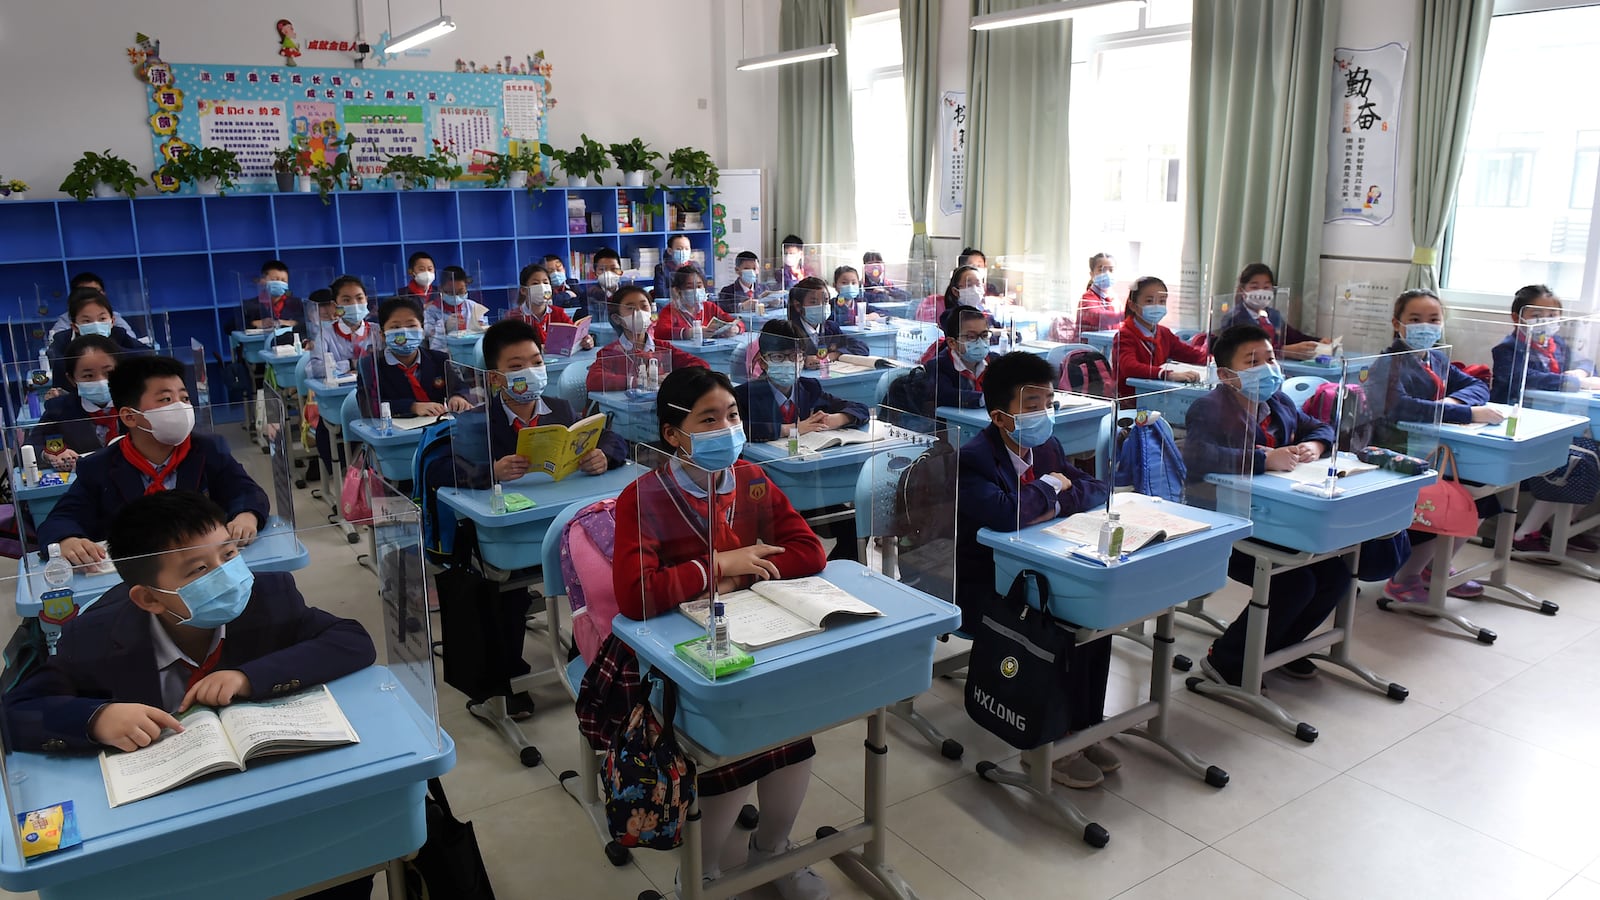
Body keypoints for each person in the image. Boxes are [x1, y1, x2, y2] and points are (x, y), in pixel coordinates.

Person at [613, 366, 830, 899]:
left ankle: (772, 856)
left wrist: (726, 575)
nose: (726, 429)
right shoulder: (645, 498)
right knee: (730, 752)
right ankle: (702, 875)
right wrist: (723, 565)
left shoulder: (752, 480)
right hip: (668, 654)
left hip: (754, 636)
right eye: (708, 420)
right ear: (672, 434)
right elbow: (638, 596)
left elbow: (809, 551)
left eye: (732, 416)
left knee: (794, 738)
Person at [6, 489, 376, 752]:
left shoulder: (269, 596)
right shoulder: (92, 637)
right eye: (199, 569)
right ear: (149, 598)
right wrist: (96, 719)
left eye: (228, 554)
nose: (225, 574)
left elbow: (351, 641)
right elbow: (16, 712)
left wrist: (249, 677)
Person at [434, 319, 626, 719]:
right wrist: (491, 471)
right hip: (511, 536)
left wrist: (604, 455)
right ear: (495, 377)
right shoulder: (475, 422)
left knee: (599, 577)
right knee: (504, 595)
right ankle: (509, 680)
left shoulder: (559, 408)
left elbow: (609, 437)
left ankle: (586, 656)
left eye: (535, 361)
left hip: (566, 521)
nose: (529, 372)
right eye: (515, 365)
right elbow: (446, 472)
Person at [955, 351, 1115, 788]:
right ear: (1000, 416)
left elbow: (1095, 489)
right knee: (1064, 624)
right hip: (984, 580)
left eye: (1048, 402)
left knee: (1098, 622)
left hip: (1043, 566)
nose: (1043, 414)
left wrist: (1050, 498)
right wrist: (1052, 489)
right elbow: (1005, 515)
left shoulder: (1047, 445)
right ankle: (1048, 743)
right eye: (1031, 406)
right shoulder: (974, 458)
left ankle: (1083, 725)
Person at [1183, 325, 1343, 685]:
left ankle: (1280, 647)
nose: (1267, 368)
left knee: (1336, 571)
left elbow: (1322, 427)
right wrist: (1261, 459)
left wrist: (1315, 446)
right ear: (1226, 375)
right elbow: (1197, 457)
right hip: (1225, 520)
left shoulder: (1278, 402)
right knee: (1295, 581)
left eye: (1269, 358)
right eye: (1252, 361)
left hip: (1275, 515)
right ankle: (1226, 660)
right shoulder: (1209, 408)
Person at [38, 355, 270, 567]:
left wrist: (246, 515)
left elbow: (246, 491)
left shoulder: (208, 449)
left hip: (205, 566)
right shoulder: (99, 467)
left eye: (184, 397)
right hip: (138, 575)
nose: (181, 407)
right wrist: (67, 540)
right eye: (166, 399)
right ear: (130, 416)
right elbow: (60, 519)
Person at [1371, 289, 1505, 604]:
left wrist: (1452, 401)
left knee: (1486, 498)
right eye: (1415, 320)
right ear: (1397, 324)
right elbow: (1402, 408)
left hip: (1434, 451)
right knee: (1461, 498)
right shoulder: (1388, 363)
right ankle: (1404, 578)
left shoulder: (1437, 357)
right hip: (1396, 454)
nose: (1425, 327)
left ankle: (1435, 568)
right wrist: (1465, 412)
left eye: (1433, 320)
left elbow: (1476, 385)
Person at [1490, 284, 1600, 553]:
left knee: (1593, 457)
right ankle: (1525, 534)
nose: (1547, 321)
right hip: (1519, 424)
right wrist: (1569, 381)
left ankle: (1562, 526)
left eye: (1553, 315)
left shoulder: (1555, 344)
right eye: (1539, 314)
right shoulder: (1507, 349)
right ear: (1518, 317)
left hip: (1555, 421)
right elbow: (1526, 382)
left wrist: (1581, 373)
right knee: (1577, 461)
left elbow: (1586, 363)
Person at [356, 296, 474, 419]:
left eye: (411, 326)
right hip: (399, 434)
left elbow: (460, 387)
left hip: (441, 429)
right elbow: (368, 406)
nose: (404, 332)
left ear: (422, 331)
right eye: (395, 327)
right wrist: (412, 407)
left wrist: (458, 397)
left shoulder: (440, 359)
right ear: (383, 335)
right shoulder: (370, 365)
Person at [586, 285, 708, 392]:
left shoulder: (662, 347)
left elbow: (701, 365)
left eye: (644, 306)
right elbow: (594, 380)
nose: (639, 312)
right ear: (617, 319)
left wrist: (671, 378)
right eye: (630, 308)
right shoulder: (610, 352)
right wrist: (639, 381)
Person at [30, 335, 123, 471]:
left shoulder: (136, 403)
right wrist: (51, 455)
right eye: (88, 376)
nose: (101, 381)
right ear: (72, 379)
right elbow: (30, 448)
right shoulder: (59, 410)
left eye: (108, 373)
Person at [1112, 275, 1207, 398]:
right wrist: (1166, 374)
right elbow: (1129, 367)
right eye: (1149, 301)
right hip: (1130, 399)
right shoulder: (1125, 335)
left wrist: (1215, 361)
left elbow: (1190, 354)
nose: (1156, 306)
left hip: (1155, 394)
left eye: (1162, 301)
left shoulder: (1164, 333)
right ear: (1133, 305)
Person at [47, 288, 150, 389]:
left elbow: (146, 354)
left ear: (112, 321)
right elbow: (60, 374)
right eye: (87, 321)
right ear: (75, 326)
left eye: (102, 319)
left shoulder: (118, 333)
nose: (96, 324)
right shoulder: (62, 340)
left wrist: (112, 350)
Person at [1222, 263, 1320, 361]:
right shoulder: (1233, 318)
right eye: (1254, 287)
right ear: (1242, 290)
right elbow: (1243, 349)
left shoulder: (1273, 315)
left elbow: (1293, 336)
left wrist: (1319, 341)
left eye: (1266, 287)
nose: (1261, 292)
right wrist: (1283, 351)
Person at [509, 263, 595, 350]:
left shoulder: (558, 312)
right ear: (523, 290)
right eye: (535, 283)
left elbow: (574, 336)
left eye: (545, 282)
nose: (542, 287)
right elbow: (510, 347)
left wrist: (586, 341)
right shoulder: (514, 316)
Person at [786, 277, 867, 364]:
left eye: (826, 301)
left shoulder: (831, 327)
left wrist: (834, 355)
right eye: (813, 302)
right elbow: (779, 357)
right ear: (798, 306)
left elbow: (862, 348)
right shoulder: (788, 331)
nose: (822, 306)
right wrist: (804, 360)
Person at [932, 306, 997, 410]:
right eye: (971, 337)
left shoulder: (994, 361)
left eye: (984, 335)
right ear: (952, 343)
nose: (980, 342)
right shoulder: (938, 366)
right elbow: (945, 394)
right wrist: (986, 399)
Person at [654, 266, 742, 342]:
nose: (696, 291)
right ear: (678, 290)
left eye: (699, 286)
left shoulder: (709, 307)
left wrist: (736, 328)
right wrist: (689, 333)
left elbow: (735, 321)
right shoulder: (671, 310)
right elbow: (660, 332)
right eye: (689, 287)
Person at [48, 272, 135, 338]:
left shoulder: (114, 316)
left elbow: (132, 341)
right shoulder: (66, 320)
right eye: (86, 321)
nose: (91, 295)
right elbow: (54, 345)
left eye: (102, 319)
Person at [423, 264, 489, 349]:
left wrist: (481, 327)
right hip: (444, 353)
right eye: (451, 292)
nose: (456, 296)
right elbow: (428, 334)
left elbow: (483, 328)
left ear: (466, 287)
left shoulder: (473, 306)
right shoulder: (431, 310)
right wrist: (444, 326)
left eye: (461, 291)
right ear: (440, 289)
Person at [242, 259, 304, 329]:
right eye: (275, 279)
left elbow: (307, 321)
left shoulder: (296, 303)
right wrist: (255, 323)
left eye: (283, 281)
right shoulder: (250, 304)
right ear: (263, 280)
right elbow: (231, 326)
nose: (279, 283)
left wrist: (292, 323)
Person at [1078, 252, 1121, 334]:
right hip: (1089, 345)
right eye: (1101, 270)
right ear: (1092, 274)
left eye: (1111, 270)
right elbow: (1097, 317)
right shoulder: (1087, 298)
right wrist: (1123, 315)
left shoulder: (1114, 299)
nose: (1107, 274)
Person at [582, 248, 627, 322]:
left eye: (613, 269)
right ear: (595, 274)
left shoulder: (627, 292)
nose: (608, 273)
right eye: (602, 269)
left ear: (621, 272)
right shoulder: (589, 294)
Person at [654, 234, 703, 299]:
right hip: (671, 304)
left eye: (687, 249)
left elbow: (704, 288)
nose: (683, 252)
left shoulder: (695, 266)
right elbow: (661, 293)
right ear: (670, 251)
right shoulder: (661, 268)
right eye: (679, 249)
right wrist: (685, 293)